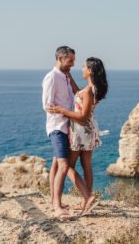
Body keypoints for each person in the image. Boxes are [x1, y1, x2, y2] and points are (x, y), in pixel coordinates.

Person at [47, 57, 108, 215]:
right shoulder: (92, 89)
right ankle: (86, 200)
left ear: (90, 71)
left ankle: (87, 197)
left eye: (84, 67)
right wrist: (69, 76)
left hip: (81, 130)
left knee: (67, 167)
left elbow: (82, 116)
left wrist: (61, 110)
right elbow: (77, 93)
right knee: (87, 165)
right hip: (89, 131)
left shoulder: (88, 91)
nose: (81, 68)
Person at [42, 46, 79, 219]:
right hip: (57, 127)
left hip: (67, 126)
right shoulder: (52, 77)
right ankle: (57, 206)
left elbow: (75, 95)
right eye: (70, 60)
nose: (73, 64)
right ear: (60, 58)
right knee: (64, 165)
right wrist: (65, 111)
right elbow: (47, 106)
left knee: (56, 165)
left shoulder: (65, 77)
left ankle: (53, 201)